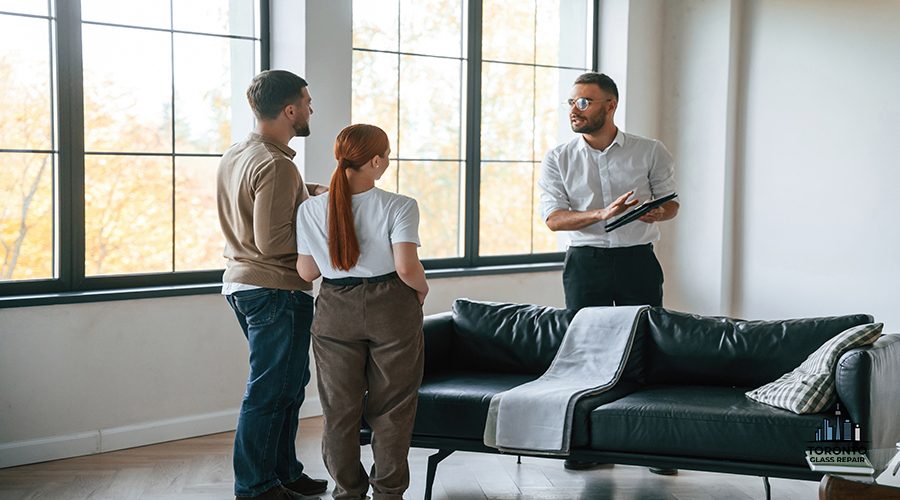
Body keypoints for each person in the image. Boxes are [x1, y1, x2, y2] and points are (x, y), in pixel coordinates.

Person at [538, 72, 679, 474]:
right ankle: (588, 446)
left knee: (647, 347)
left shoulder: (649, 150)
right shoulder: (558, 157)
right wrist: (601, 214)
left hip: (638, 257)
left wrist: (658, 211)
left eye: (583, 102)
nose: (574, 109)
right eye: (571, 102)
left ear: (610, 105)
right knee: (585, 354)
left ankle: (656, 449)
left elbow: (672, 205)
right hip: (585, 263)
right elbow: (553, 219)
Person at [295, 124, 428, 500]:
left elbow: (308, 272)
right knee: (393, 408)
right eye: (386, 155)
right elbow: (406, 267)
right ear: (374, 160)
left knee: (340, 409)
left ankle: (347, 492)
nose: (387, 161)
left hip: (336, 306)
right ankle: (388, 493)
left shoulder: (310, 209)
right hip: (392, 305)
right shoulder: (399, 205)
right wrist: (422, 288)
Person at [217, 69, 329, 500]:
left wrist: (314, 191)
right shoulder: (277, 165)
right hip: (275, 289)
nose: (311, 109)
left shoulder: (239, 153)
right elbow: (274, 241)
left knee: (286, 385)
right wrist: (328, 247)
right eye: (307, 101)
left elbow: (261, 205)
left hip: (242, 285)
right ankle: (257, 486)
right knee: (269, 390)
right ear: (289, 110)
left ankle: (284, 472)